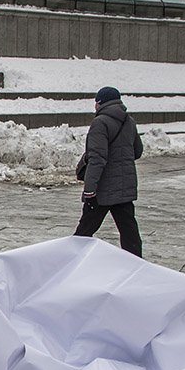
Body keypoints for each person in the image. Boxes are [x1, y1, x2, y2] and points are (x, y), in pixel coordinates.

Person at [74, 85, 143, 256]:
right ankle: (136, 264)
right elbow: (137, 151)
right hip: (124, 187)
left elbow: (97, 159)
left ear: (100, 102)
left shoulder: (100, 123)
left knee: (84, 232)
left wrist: (89, 190)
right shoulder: (129, 121)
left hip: (103, 189)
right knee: (129, 233)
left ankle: (70, 261)